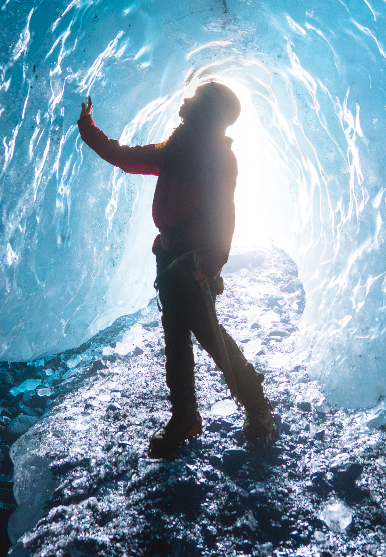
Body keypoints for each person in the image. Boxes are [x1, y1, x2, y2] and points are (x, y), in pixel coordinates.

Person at [77, 82, 276, 458]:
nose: (185, 100)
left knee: (212, 340)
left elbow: (225, 215)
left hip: (193, 265)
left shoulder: (217, 157)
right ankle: (186, 417)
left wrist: (213, 263)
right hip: (170, 261)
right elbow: (125, 157)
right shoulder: (176, 148)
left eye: (195, 98)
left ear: (209, 111)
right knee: (177, 341)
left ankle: (256, 407)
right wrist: (88, 127)